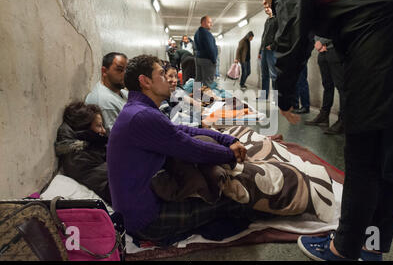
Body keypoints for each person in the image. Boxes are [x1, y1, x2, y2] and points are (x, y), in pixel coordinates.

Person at [251, 0, 393, 261]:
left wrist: (285, 96)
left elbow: (292, 36)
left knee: (363, 157)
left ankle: (342, 249)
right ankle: (371, 246)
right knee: (390, 158)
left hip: (379, 50)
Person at [107, 54, 271, 245]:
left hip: (141, 206)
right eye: (161, 74)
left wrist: (225, 138)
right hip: (147, 219)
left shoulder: (140, 110)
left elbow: (178, 129)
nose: (169, 81)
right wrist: (230, 154)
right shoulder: (142, 116)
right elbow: (191, 148)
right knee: (237, 202)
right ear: (145, 82)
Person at [55, 102, 111, 204]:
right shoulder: (79, 157)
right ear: (85, 129)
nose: (103, 130)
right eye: (99, 126)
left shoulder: (94, 145)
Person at [304, 36, 345, 134]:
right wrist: (318, 43)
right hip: (322, 51)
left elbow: (336, 28)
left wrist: (322, 42)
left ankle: (343, 120)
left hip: (334, 49)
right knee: (327, 85)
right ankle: (324, 116)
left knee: (341, 87)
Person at [85, 52, 128, 134]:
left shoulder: (122, 92)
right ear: (104, 71)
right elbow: (117, 137)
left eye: (127, 70)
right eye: (119, 69)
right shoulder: (104, 102)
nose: (125, 74)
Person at [259, 8, 278, 100]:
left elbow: (280, 34)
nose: (266, 9)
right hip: (264, 50)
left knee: (274, 75)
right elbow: (263, 36)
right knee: (264, 74)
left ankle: (276, 98)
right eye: (265, 8)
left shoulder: (277, 19)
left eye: (268, 7)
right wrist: (260, 50)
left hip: (271, 50)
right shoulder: (267, 20)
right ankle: (263, 96)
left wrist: (273, 45)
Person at [194, 16, 218, 88]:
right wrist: (214, 60)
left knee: (198, 79)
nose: (211, 24)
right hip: (207, 60)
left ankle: (196, 97)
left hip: (198, 58)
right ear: (203, 23)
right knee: (208, 81)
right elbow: (210, 48)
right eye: (209, 22)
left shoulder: (197, 33)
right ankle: (206, 98)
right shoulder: (206, 33)